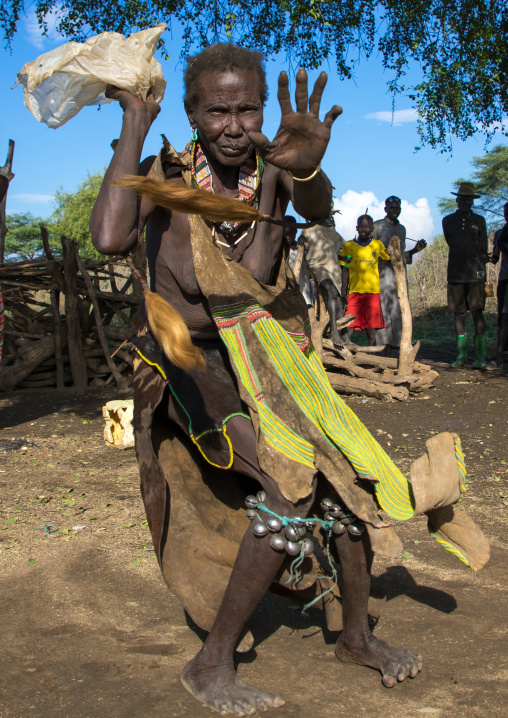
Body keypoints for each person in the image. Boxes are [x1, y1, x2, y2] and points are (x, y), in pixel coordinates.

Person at [90, 45, 485, 716]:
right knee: (286, 483)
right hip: (186, 361)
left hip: (265, 357)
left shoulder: (272, 174)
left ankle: (355, 636)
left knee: (341, 484)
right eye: (218, 111)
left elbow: (316, 200)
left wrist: (309, 166)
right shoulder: (164, 176)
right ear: (192, 112)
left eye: (249, 108)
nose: (236, 124)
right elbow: (107, 236)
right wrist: (133, 122)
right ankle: (210, 663)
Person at [442, 182, 489, 369]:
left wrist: (485, 259)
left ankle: (480, 358)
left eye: (469, 199)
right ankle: (461, 357)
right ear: (457, 200)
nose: (465, 202)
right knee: (459, 314)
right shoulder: (447, 221)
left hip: (476, 274)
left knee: (477, 313)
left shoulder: (479, 221)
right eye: (462, 199)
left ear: (472, 201)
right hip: (455, 273)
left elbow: (483, 248)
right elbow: (450, 242)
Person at [372, 196, 426, 355]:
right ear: (385, 209)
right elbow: (370, 250)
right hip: (383, 274)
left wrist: (416, 250)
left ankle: (398, 344)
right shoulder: (377, 226)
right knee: (384, 308)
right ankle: (384, 347)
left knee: (399, 309)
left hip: (400, 276)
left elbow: (401, 255)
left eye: (397, 208)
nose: (394, 210)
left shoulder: (402, 229)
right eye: (392, 208)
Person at [339, 214, 390, 345]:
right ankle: (345, 353)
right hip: (354, 292)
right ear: (356, 228)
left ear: (372, 229)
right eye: (361, 226)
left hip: (372, 292)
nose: (364, 229)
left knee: (371, 328)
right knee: (348, 325)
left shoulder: (377, 245)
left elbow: (386, 258)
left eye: (367, 227)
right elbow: (345, 267)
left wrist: (378, 270)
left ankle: (370, 357)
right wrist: (343, 292)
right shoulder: (349, 246)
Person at [301, 216, 345, 344]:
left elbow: (340, 250)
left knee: (337, 300)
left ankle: (341, 336)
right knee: (331, 290)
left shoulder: (334, 233)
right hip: (318, 266)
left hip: (334, 269)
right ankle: (334, 332)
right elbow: (303, 241)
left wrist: (346, 260)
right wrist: (301, 239)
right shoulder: (310, 229)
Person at [486, 205, 508, 370]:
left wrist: (501, 242)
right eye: (505, 213)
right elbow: (494, 259)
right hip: (505, 279)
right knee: (503, 316)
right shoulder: (501, 233)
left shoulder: (502, 236)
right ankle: (500, 356)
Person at [284, 215, 313, 305]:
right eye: (285, 234)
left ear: (296, 232)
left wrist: (304, 242)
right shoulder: (279, 251)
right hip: (286, 298)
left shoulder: (301, 248)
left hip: (304, 297)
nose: (288, 237)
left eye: (291, 234)